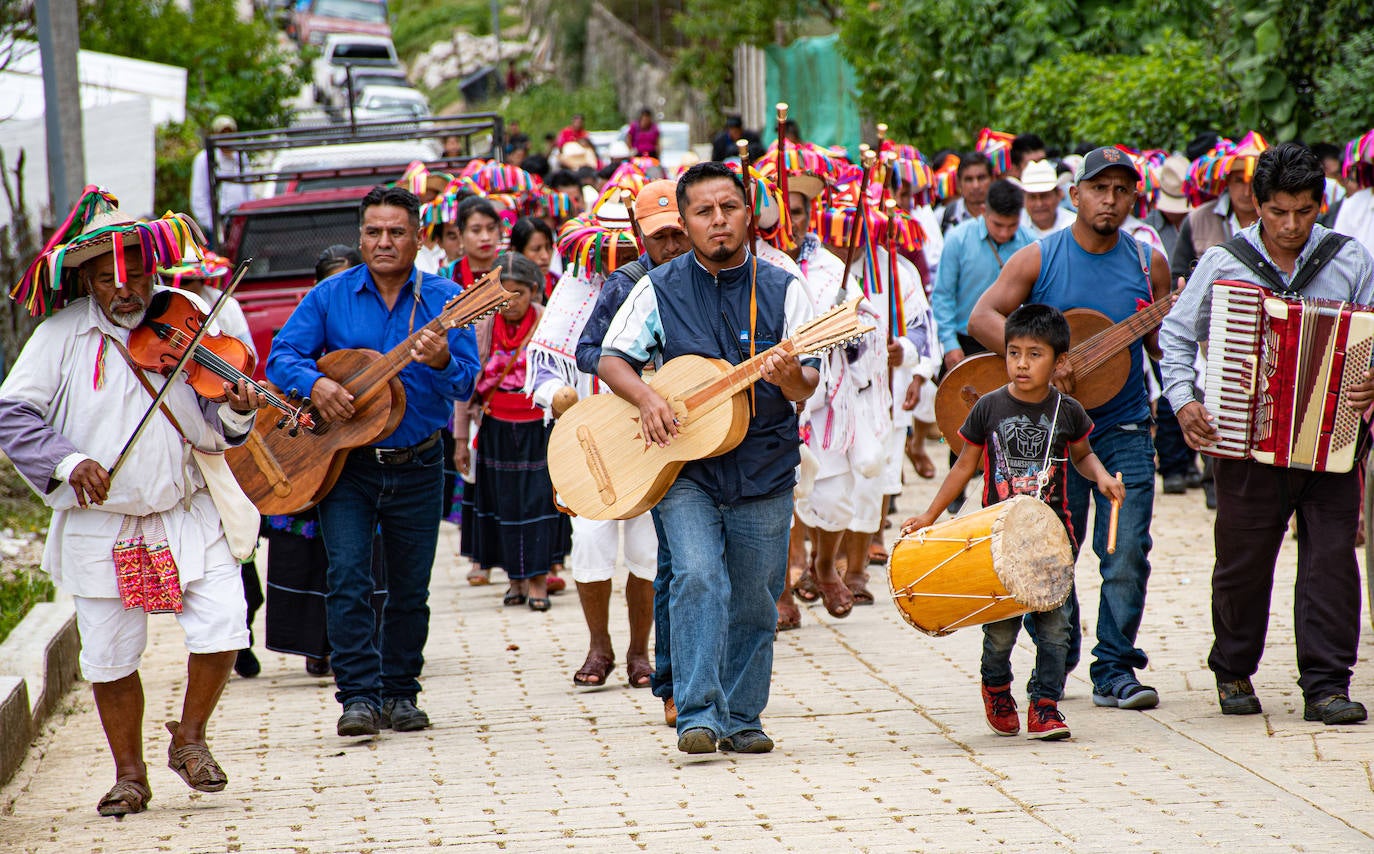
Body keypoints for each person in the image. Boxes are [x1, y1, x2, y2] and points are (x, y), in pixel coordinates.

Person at [0, 189, 270, 816]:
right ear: (88, 283)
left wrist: (236, 405)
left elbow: (220, 411)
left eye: (137, 275)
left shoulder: (191, 312)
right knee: (109, 653)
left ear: (156, 271)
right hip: (102, 519)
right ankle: (129, 775)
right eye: (107, 279)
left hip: (185, 507)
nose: (126, 290)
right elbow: (13, 413)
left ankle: (191, 738)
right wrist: (68, 462)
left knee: (226, 623)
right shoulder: (59, 335)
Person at [598, 162, 819, 754]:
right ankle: (696, 712)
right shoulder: (657, 287)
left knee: (754, 594)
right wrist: (645, 397)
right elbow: (612, 358)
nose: (718, 221)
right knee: (697, 575)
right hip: (684, 464)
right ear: (686, 222)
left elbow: (807, 386)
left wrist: (790, 373)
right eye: (703, 212)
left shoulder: (784, 288)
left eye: (729, 208)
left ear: (749, 214)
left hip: (765, 463)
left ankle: (744, 717)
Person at [1159, 142, 1374, 725]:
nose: (1290, 225)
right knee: (1242, 562)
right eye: (1277, 211)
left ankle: (1327, 685)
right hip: (1243, 441)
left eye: (1303, 211)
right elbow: (1177, 335)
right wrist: (1184, 402)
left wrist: (1371, 381)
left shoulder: (1351, 259)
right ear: (1255, 202)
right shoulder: (1224, 262)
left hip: (1332, 442)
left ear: (1319, 204)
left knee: (1332, 562)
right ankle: (1232, 669)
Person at [265, 185, 481, 737]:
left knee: (411, 587)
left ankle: (401, 694)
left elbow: (466, 382)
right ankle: (357, 698)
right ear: (361, 236)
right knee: (349, 579)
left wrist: (437, 363)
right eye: (373, 232)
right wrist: (315, 385)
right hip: (346, 465)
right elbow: (282, 357)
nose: (384, 242)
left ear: (418, 238)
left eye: (396, 232)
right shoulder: (330, 297)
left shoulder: (448, 299)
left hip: (418, 462)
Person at [969, 147, 1172, 711]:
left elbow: (1161, 346)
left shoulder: (1146, 262)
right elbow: (982, 317)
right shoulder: (1039, 258)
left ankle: (1114, 668)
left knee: (1126, 549)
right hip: (1052, 433)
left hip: (1126, 426)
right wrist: (1038, 361)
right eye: (1098, 188)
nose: (1110, 200)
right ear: (1074, 194)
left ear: (1134, 198)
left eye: (1121, 190)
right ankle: (1064, 652)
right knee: (1055, 550)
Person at [901, 304, 1124, 740]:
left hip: (1051, 541)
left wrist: (1101, 478)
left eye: (1035, 354)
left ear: (1059, 361)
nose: (1022, 363)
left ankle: (1045, 704)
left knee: (1056, 630)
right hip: (997, 544)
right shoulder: (989, 407)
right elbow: (964, 467)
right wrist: (930, 515)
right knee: (1000, 630)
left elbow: (1083, 455)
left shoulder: (1068, 410)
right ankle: (997, 687)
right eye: (1014, 352)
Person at [574, 181, 691, 723]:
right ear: (639, 234)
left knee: (658, 553)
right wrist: (642, 378)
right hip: (624, 428)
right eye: (659, 234)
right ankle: (601, 647)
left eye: (677, 232)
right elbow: (587, 351)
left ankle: (646, 656)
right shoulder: (624, 285)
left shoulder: (708, 278)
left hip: (688, 432)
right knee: (594, 537)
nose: (670, 243)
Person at [259, 246, 387, 678]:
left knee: (356, 562)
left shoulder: (372, 334)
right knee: (309, 556)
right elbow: (280, 367)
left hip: (355, 457)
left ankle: (365, 646)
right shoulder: (306, 328)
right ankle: (316, 645)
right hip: (304, 449)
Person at [158, 250, 265, 679]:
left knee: (240, 545)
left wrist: (233, 394)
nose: (191, 291)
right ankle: (227, 643)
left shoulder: (225, 307)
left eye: (198, 284)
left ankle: (240, 634)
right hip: (177, 458)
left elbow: (242, 362)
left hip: (221, 442)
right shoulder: (161, 311)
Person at [453, 253, 562, 611]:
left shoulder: (548, 324)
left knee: (538, 505)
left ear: (535, 291)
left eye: (519, 293)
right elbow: (467, 384)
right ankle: (514, 581)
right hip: (495, 429)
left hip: (538, 429)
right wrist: (459, 440)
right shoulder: (482, 326)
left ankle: (538, 582)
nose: (511, 302)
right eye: (503, 294)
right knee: (503, 505)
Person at [189, 115, 254, 247]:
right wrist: (214, 227)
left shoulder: (240, 156)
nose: (227, 138)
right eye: (223, 133)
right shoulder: (204, 159)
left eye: (230, 133)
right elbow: (199, 197)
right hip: (218, 227)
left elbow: (248, 191)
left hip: (241, 223)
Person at [1017, 160, 1075, 238]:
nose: (1039, 204)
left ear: (1058, 194)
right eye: (1032, 197)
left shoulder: (1074, 226)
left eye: (1044, 196)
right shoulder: (1015, 227)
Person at [940, 151, 993, 233]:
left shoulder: (1007, 211)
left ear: (992, 179)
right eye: (969, 179)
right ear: (958, 183)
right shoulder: (946, 214)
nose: (976, 186)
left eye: (981, 178)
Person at [510, 216, 558, 297]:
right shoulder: (508, 290)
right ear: (516, 251)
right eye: (536, 249)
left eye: (549, 247)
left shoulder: (558, 284)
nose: (545, 256)